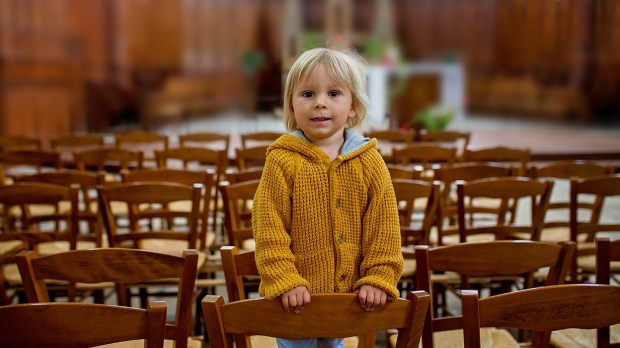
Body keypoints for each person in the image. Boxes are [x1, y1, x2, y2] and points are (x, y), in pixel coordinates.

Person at [252, 47, 404, 348]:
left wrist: (378, 277)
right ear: (291, 107)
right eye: (307, 94)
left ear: (353, 106)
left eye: (334, 93)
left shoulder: (369, 161)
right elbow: (268, 228)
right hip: (295, 300)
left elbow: (384, 228)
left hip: (350, 300)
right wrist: (285, 279)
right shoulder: (283, 160)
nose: (320, 103)